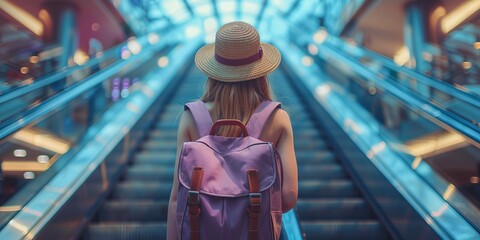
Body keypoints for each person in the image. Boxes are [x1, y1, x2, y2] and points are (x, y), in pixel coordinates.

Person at [167, 21, 298, 240]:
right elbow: (288, 197)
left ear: (214, 71)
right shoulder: (277, 118)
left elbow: (176, 198)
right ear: (261, 72)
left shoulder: (191, 117)